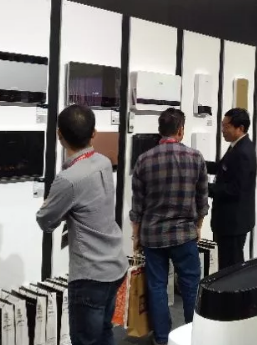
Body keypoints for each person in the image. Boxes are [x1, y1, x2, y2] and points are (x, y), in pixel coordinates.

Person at [37, 104, 127, 345]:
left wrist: (53, 204)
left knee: (86, 340)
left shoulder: (68, 179)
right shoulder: (103, 162)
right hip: (115, 265)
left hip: (91, 276)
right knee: (105, 332)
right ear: (94, 133)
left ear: (59, 135)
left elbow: (45, 220)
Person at [130, 108, 208, 345]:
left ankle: (162, 339)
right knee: (191, 286)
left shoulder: (144, 160)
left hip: (153, 236)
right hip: (184, 235)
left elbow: (137, 205)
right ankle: (193, 336)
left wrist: (136, 237)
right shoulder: (196, 157)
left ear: (160, 130)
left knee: (156, 287)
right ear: (181, 130)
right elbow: (202, 200)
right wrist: (198, 226)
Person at [209, 108, 257, 270]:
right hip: (229, 221)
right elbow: (220, 167)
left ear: (240, 128)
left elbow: (235, 189)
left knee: (231, 267)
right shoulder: (236, 146)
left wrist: (204, 188)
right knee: (227, 263)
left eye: (226, 126)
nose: (223, 130)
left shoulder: (243, 152)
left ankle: (235, 289)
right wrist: (197, 162)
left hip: (234, 222)